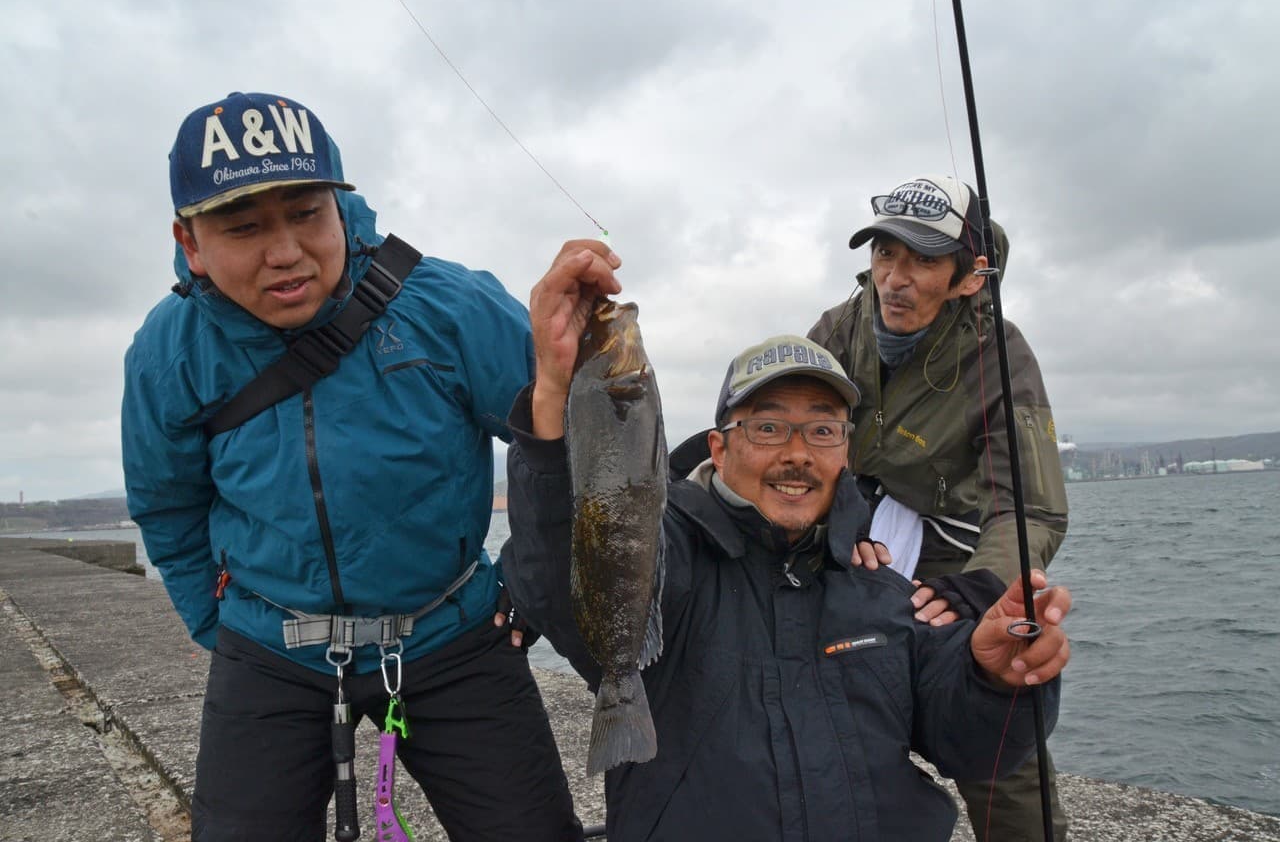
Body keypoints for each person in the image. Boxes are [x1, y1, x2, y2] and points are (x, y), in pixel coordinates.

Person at [121, 91, 582, 841]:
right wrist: (220, 626)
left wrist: (533, 586)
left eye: (307, 213)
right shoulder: (167, 352)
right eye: (243, 227)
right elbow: (167, 504)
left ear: (340, 206)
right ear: (191, 241)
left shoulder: (449, 305)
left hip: (453, 636)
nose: (285, 252)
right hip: (270, 651)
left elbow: (569, 444)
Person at [502, 239, 1072, 841]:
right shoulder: (670, 565)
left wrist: (996, 681)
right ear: (719, 449)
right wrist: (553, 393)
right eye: (769, 427)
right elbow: (563, 571)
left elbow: (974, 746)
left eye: (822, 430)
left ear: (846, 453)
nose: (797, 453)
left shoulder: (886, 592)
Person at [808, 174, 1071, 840]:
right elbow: (802, 445)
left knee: (998, 720)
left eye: (923, 260)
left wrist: (985, 583)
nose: (895, 279)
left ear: (969, 277)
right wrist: (838, 527)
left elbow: (1031, 506)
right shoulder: (838, 329)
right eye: (884, 254)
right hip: (852, 533)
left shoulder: (1003, 354)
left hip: (960, 554)